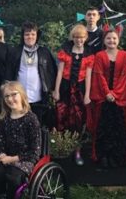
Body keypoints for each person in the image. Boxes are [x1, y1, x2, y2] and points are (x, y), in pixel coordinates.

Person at [90, 30, 126, 168]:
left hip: (119, 97)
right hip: (103, 98)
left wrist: (115, 94)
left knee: (119, 127)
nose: (111, 41)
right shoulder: (99, 55)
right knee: (103, 127)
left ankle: (117, 157)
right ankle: (103, 156)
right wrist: (107, 93)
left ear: (118, 40)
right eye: (108, 38)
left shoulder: (125, 55)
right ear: (104, 41)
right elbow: (99, 75)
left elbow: (125, 76)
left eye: (114, 38)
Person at [0, 81, 41, 199]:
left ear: (22, 95)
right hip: (7, 156)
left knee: (13, 178)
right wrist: (1, 153)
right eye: (7, 96)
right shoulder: (4, 119)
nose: (10, 99)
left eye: (14, 94)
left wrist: (12, 159)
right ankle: (3, 194)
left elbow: (34, 151)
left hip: (25, 159)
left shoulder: (31, 119)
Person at [52, 24, 94, 166]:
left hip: (80, 90)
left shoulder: (89, 52)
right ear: (72, 37)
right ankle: (62, 150)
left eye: (81, 37)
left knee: (78, 121)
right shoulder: (66, 50)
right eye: (76, 37)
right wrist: (56, 90)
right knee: (61, 117)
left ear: (85, 38)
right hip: (65, 88)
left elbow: (88, 76)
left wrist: (88, 94)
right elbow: (59, 72)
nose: (79, 40)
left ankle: (77, 151)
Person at [5, 21, 57, 127]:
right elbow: (8, 73)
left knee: (37, 126)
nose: (30, 37)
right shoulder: (14, 52)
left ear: (37, 36)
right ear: (23, 36)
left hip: (39, 97)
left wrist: (53, 90)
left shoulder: (44, 52)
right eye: (27, 34)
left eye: (33, 34)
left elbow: (52, 72)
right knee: (19, 126)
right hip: (19, 97)